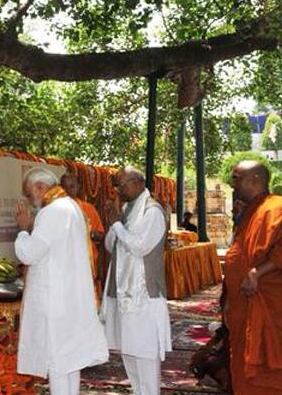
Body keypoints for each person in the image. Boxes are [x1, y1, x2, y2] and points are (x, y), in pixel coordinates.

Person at [14, 167, 108, 395]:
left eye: (29, 194)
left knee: (57, 361)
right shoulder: (71, 207)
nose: (30, 200)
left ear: (39, 187)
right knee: (69, 362)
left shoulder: (53, 211)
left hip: (55, 300)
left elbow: (29, 254)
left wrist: (23, 230)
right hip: (68, 297)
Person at [224, 160, 282, 394]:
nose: (232, 184)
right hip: (241, 304)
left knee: (269, 363)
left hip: (265, 304)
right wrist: (230, 299)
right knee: (241, 365)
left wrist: (257, 272)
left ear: (255, 180)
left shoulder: (279, 209)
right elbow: (240, 256)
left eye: (236, 178)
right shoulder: (250, 211)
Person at [101, 166, 172, 395]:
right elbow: (110, 246)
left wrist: (118, 225)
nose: (118, 191)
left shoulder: (152, 211)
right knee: (129, 353)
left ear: (137, 182)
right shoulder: (126, 209)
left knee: (145, 355)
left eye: (120, 185)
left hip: (143, 296)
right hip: (123, 294)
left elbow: (140, 246)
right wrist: (114, 223)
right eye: (116, 186)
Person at [60, 169, 105, 298]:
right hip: (64, 264)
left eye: (72, 186)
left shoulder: (88, 208)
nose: (68, 191)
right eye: (64, 187)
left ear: (78, 187)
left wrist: (87, 234)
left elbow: (101, 236)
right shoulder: (54, 210)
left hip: (86, 264)